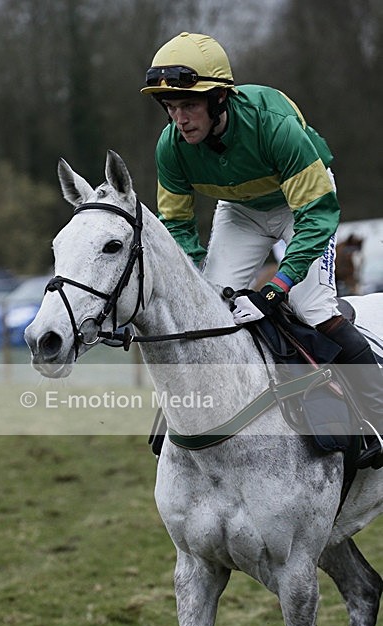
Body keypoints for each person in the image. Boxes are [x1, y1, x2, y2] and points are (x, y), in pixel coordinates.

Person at [141, 31, 383, 469]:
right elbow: (177, 225)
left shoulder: (273, 124)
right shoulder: (170, 148)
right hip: (240, 211)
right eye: (171, 108)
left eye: (189, 105)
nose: (180, 119)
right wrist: (198, 285)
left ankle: (375, 417)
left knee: (312, 308)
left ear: (219, 99)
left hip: (302, 207)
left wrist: (278, 286)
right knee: (212, 311)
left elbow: (317, 215)